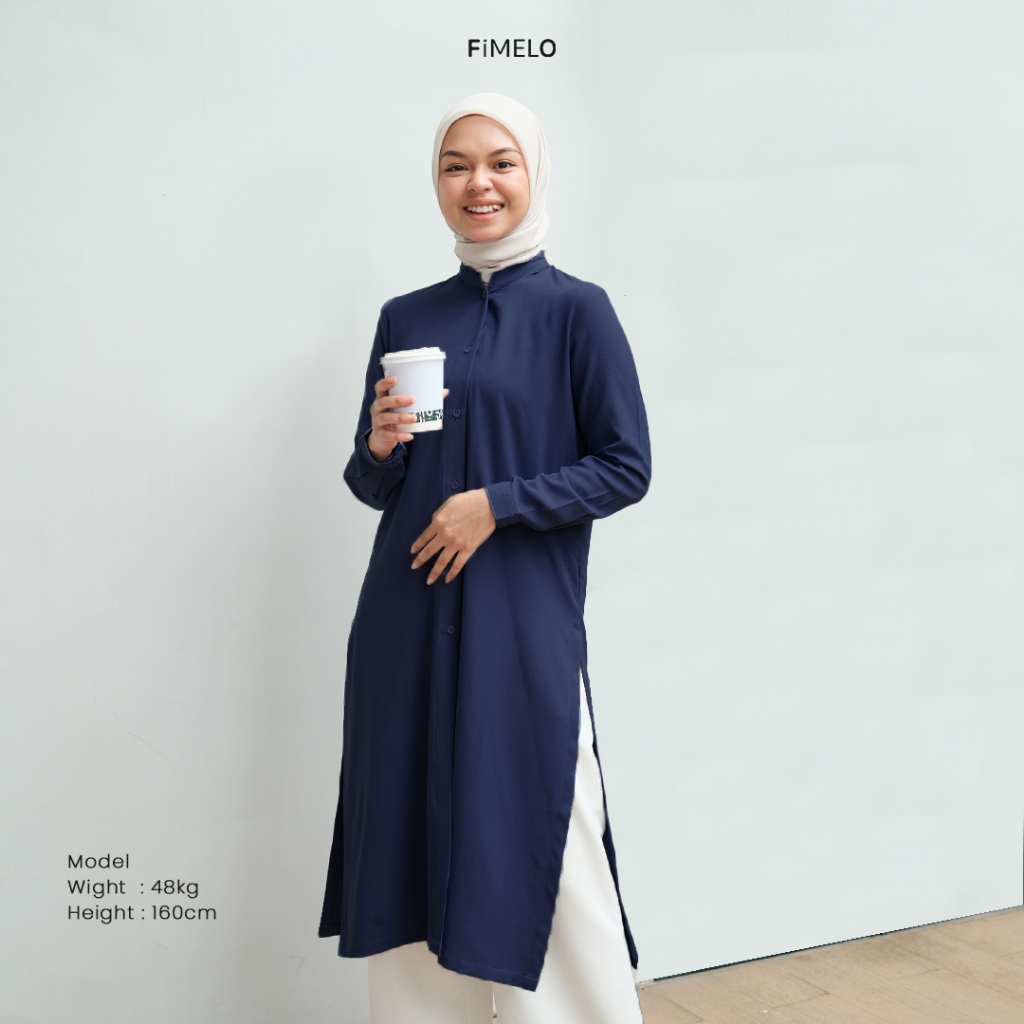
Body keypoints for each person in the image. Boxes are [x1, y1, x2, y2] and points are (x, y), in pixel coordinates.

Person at [319, 93, 651, 1023]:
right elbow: (370, 484)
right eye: (456, 164)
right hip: (405, 620)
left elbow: (626, 466)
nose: (479, 183)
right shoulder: (406, 315)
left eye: (501, 162)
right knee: (408, 833)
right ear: (436, 182)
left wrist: (496, 507)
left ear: (533, 172)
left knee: (547, 826)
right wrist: (380, 447)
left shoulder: (578, 312)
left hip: (520, 622)